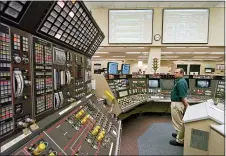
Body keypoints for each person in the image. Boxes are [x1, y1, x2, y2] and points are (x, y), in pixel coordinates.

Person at [170, 68, 189, 146]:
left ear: (182, 73)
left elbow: (182, 96)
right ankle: (179, 134)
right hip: (177, 103)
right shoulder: (181, 81)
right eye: (174, 72)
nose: (174, 73)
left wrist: (186, 105)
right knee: (179, 121)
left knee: (178, 122)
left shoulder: (180, 82)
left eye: (176, 72)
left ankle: (180, 140)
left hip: (177, 104)